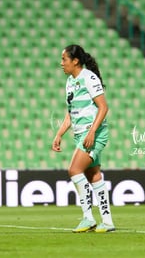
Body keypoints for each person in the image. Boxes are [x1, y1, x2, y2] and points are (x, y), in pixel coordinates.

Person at [52, 44, 115, 233]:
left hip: (93, 133)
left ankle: (88, 218)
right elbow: (71, 113)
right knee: (93, 175)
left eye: (64, 59)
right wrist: (59, 134)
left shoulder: (88, 77)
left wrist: (92, 132)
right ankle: (108, 222)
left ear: (75, 61)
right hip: (82, 134)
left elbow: (103, 107)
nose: (61, 63)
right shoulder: (70, 82)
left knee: (74, 170)